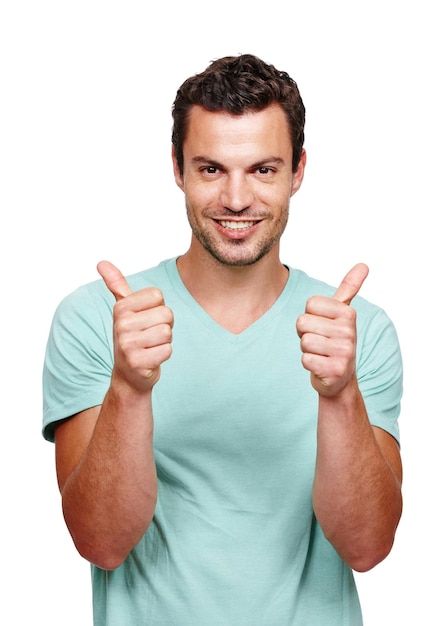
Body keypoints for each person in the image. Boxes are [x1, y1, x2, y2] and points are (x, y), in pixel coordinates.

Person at [42, 54, 403, 626]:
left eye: (263, 169)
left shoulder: (353, 330)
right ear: (177, 168)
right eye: (211, 169)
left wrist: (341, 395)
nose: (236, 199)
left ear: (299, 170)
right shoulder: (101, 319)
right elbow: (101, 542)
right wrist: (129, 388)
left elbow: (367, 548)